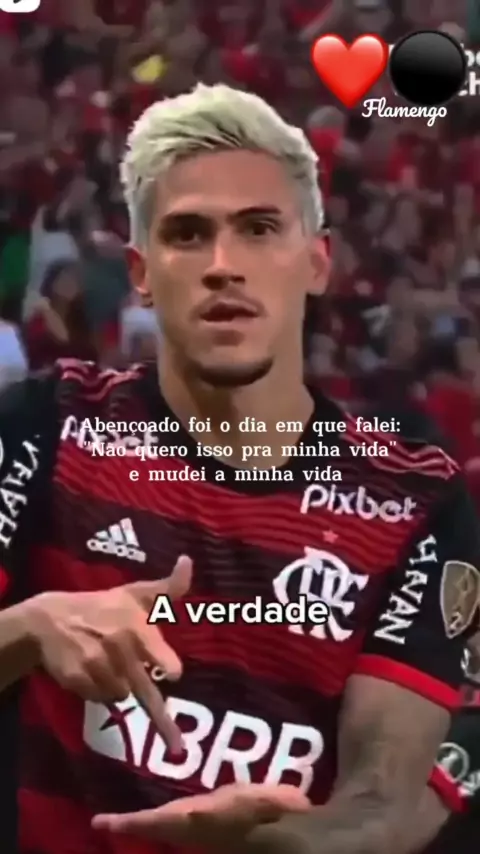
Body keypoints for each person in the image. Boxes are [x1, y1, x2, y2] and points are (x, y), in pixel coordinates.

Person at [0, 83, 479, 854]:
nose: (224, 265)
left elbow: (382, 798)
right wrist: (29, 627)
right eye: (188, 234)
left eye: (259, 229)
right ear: (141, 271)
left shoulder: (414, 500)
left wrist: (283, 842)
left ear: (317, 261)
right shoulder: (42, 426)